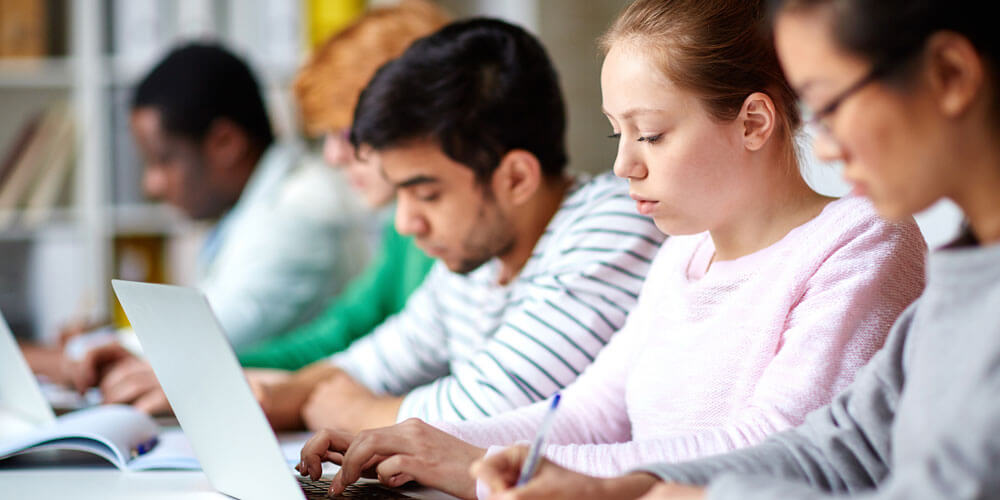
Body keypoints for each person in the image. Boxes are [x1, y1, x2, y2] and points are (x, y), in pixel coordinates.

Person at [294, 1, 929, 497]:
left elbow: (773, 446)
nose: (624, 163)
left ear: (754, 123)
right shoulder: (682, 255)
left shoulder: (858, 242)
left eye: (650, 134)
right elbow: (588, 412)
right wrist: (419, 443)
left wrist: (486, 467)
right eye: (616, 132)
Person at [467, 0, 1000, 499]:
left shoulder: (867, 241)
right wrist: (623, 488)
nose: (829, 147)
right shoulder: (960, 282)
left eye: (832, 105)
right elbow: (839, 450)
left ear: (950, 75)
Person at [75, 18, 666, 427]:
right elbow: (372, 357)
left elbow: (485, 410)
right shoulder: (477, 259)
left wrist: (340, 409)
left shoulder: (609, 224)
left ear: (515, 178)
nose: (405, 223)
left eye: (425, 194)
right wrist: (285, 392)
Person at [24, 43, 369, 396]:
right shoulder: (252, 210)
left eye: (162, 160)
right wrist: (97, 343)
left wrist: (63, 356)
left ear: (225, 143)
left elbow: (197, 342)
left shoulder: (297, 215)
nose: (151, 185)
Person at [236, 0, 448, 370]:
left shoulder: (456, 234)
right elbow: (339, 333)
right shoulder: (400, 228)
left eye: (347, 133)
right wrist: (208, 369)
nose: (333, 156)